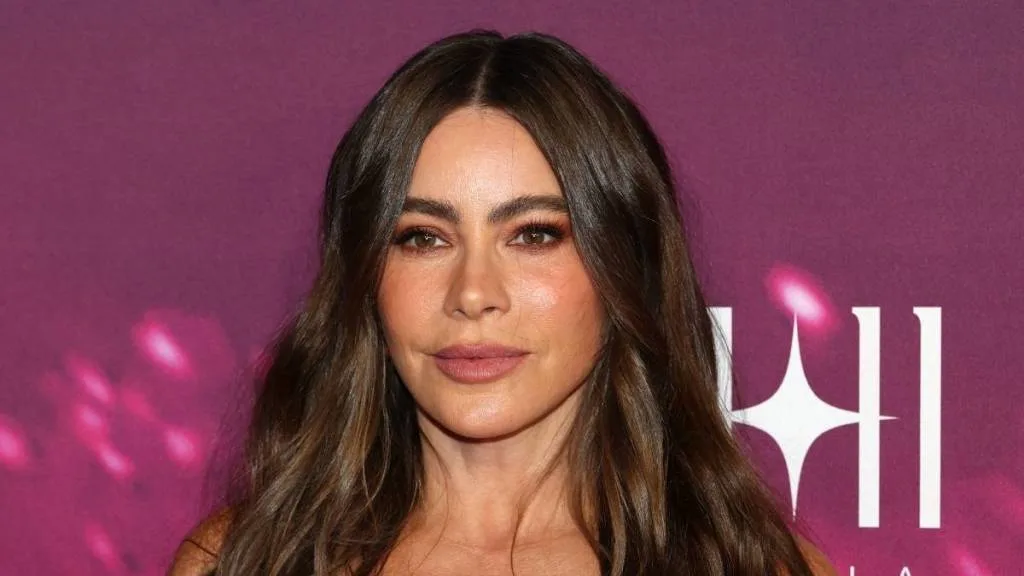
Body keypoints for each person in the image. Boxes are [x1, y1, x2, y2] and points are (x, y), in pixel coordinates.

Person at [169, 29, 836, 576]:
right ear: (365, 276)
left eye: (534, 235)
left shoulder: (751, 568)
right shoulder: (242, 562)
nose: (473, 294)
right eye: (423, 237)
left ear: (623, 267)